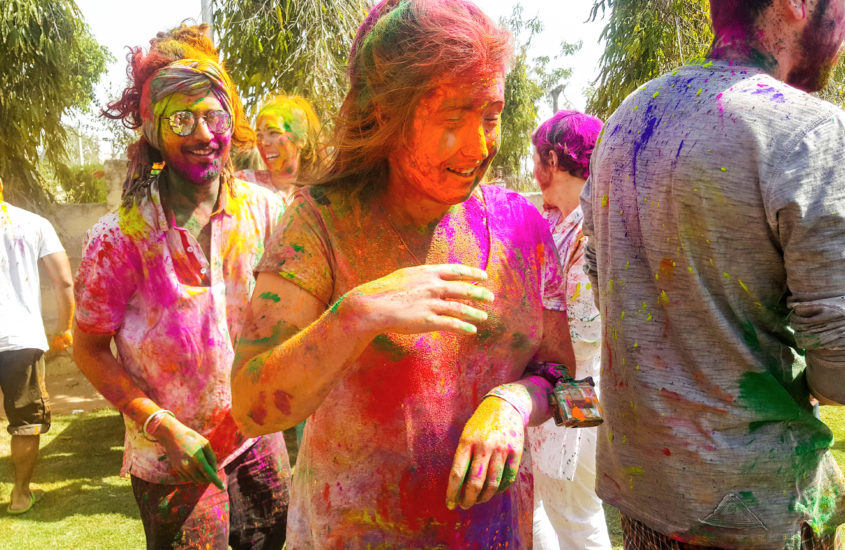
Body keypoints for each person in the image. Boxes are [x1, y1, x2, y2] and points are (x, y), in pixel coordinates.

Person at [229, 0, 578, 547]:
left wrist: (513, 403)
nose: (479, 146)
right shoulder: (322, 223)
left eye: (491, 116)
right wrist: (359, 314)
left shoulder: (524, 228)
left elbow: (562, 378)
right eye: (451, 120)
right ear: (385, 116)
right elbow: (252, 406)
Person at [581, 0, 845, 547]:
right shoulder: (811, 132)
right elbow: (838, 372)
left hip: (646, 502)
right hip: (757, 512)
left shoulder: (627, 118)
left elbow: (604, 283)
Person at [72, 24, 288, 549]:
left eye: (213, 114)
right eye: (181, 118)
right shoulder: (121, 238)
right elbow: (88, 349)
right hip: (170, 460)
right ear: (152, 130)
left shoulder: (266, 212)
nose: (201, 133)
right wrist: (162, 426)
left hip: (260, 446)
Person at [528, 111, 611, 550]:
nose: (534, 173)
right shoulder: (565, 223)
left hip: (577, 385)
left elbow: (583, 327)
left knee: (574, 512)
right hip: (559, 381)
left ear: (554, 159)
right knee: (540, 503)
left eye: (537, 159)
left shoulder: (588, 229)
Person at [0, 177, 74, 514]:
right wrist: (64, 328)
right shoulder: (33, 223)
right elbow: (63, 281)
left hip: (20, 337)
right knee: (26, 421)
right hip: (21, 338)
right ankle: (20, 495)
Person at [236, 95, 322, 204]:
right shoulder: (242, 184)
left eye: (273, 133)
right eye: (259, 135)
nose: (263, 142)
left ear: (300, 140)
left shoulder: (319, 196)